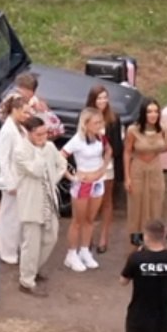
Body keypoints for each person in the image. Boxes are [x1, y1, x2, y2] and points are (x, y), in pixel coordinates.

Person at [0, 108, 65, 295]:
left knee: (51, 237)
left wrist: (53, 179)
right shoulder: (21, 152)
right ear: (29, 133)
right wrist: (41, 151)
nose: (44, 137)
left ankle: (34, 269)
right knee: (31, 242)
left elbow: (62, 164)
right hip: (31, 202)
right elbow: (35, 169)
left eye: (45, 133)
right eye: (39, 134)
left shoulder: (49, 147)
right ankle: (26, 280)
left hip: (48, 199)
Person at [61, 108, 111, 273]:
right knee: (78, 221)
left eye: (100, 122)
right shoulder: (77, 140)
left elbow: (109, 151)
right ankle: (71, 254)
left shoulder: (100, 136)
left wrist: (103, 168)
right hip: (83, 184)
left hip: (98, 182)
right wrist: (71, 176)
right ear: (86, 124)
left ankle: (84, 250)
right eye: (96, 122)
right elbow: (60, 156)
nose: (100, 125)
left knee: (90, 219)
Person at [125, 100, 167, 247]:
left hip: (155, 169)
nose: (153, 115)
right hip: (138, 168)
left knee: (155, 202)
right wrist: (127, 177)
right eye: (149, 111)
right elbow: (127, 152)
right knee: (137, 204)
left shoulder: (164, 130)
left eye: (156, 111)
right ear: (143, 113)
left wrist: (156, 151)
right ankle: (135, 239)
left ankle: (154, 239)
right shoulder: (133, 130)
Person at [87, 85, 125, 256]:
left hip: (107, 165)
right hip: (88, 166)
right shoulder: (85, 117)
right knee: (90, 200)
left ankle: (104, 237)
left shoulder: (113, 119)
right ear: (92, 100)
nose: (102, 101)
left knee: (106, 200)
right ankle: (88, 236)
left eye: (104, 97)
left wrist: (106, 152)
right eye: (99, 98)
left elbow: (118, 147)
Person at [4, 71, 62, 138]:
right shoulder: (15, 99)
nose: (32, 93)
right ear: (22, 88)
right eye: (30, 90)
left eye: (33, 90)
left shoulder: (33, 98)